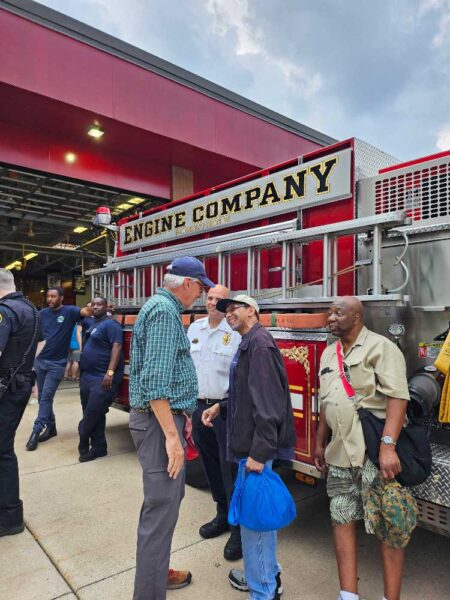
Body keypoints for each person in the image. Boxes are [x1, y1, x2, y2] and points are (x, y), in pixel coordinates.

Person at [313, 296, 416, 600]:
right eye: (329, 312)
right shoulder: (328, 354)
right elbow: (327, 402)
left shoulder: (381, 347)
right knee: (341, 519)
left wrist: (388, 446)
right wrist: (320, 442)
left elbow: (399, 397)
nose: (330, 318)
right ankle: (348, 596)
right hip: (339, 455)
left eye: (337, 313)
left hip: (372, 453)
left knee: (388, 527)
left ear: (356, 318)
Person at [129, 256, 215, 600]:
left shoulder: (157, 306)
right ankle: (149, 592)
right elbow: (155, 383)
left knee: (164, 503)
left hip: (160, 421)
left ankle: (157, 571)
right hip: (157, 425)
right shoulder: (165, 313)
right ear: (188, 283)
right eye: (201, 287)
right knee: (161, 507)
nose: (200, 295)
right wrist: (171, 438)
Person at [202, 294, 296, 600]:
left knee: (255, 524)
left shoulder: (260, 345)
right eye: (225, 309)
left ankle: (263, 590)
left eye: (234, 308)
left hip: (255, 450)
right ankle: (265, 573)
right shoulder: (248, 342)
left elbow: (268, 403)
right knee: (258, 519)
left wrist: (260, 451)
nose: (228, 313)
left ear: (252, 311)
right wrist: (221, 407)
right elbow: (247, 392)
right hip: (249, 446)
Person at [187, 285, 242, 560]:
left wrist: (225, 407)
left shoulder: (234, 333)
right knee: (209, 465)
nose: (213, 303)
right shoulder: (194, 328)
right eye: (209, 298)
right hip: (198, 407)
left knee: (229, 468)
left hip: (225, 409)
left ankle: (238, 528)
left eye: (219, 299)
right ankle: (221, 514)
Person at [0, 269, 44, 537]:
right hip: (20, 385)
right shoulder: (30, 309)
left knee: (2, 452)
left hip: (6, 389)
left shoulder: (5, 311)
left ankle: (9, 517)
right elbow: (40, 344)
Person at [25, 287, 92, 451]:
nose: (50, 299)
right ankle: (52, 427)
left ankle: (36, 430)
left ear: (61, 298)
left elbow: (86, 311)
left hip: (57, 364)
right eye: (48, 296)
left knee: (46, 396)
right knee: (42, 397)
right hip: (40, 361)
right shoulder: (42, 314)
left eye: (53, 296)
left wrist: (95, 307)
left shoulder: (70, 311)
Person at [78, 297, 124, 462]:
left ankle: (83, 438)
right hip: (87, 377)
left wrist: (110, 372)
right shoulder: (93, 324)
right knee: (93, 413)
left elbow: (117, 347)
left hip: (103, 378)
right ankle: (99, 447)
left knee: (91, 413)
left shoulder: (111, 325)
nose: (95, 307)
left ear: (106, 307)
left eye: (99, 304)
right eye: (93, 304)